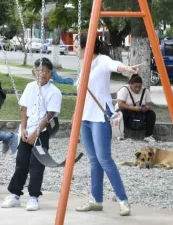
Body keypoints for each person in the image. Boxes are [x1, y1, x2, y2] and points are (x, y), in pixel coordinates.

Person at [74, 33, 139, 217]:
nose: (75, 49)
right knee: (93, 160)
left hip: (99, 117)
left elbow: (114, 65)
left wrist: (127, 68)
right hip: (85, 118)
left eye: (77, 45)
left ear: (89, 47)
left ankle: (123, 201)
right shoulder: (85, 65)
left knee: (105, 159)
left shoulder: (102, 60)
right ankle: (96, 199)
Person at [1, 58, 62, 212]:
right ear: (34, 72)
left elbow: (50, 115)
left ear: (51, 74)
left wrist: (36, 132)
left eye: (47, 72)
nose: (43, 74)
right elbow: (24, 109)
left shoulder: (55, 92)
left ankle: (34, 197)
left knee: (36, 165)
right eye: (40, 71)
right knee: (21, 162)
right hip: (27, 130)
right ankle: (15, 195)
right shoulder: (29, 86)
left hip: (41, 133)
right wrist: (23, 128)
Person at [117, 74, 156, 142]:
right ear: (130, 84)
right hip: (127, 110)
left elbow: (148, 105)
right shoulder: (124, 89)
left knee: (151, 114)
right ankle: (120, 134)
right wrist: (132, 108)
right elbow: (120, 104)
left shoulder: (145, 91)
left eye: (139, 87)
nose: (137, 89)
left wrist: (144, 108)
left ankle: (148, 135)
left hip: (140, 111)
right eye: (135, 87)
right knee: (121, 112)